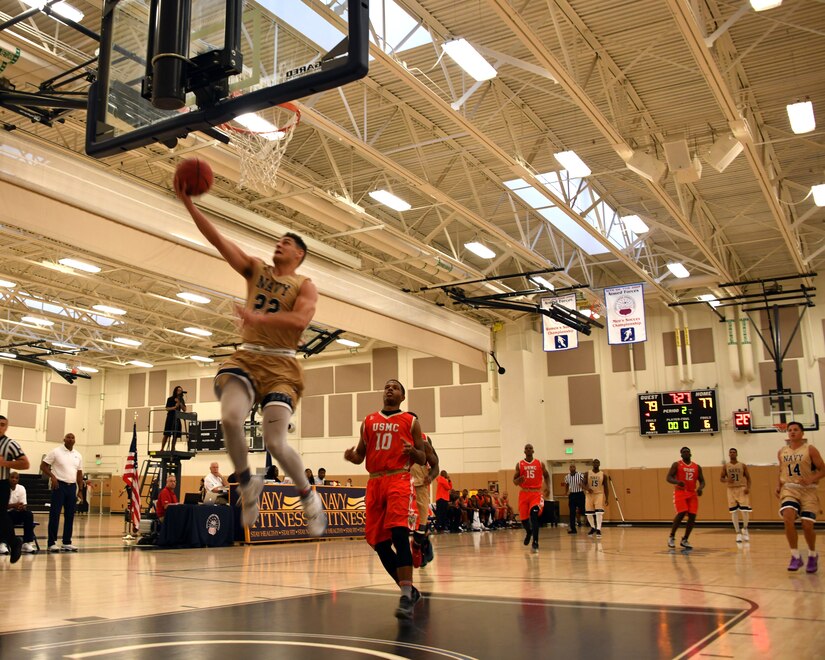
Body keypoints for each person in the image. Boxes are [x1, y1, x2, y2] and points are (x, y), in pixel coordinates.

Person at [176, 178, 326, 535]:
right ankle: (247, 483)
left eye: (287, 243)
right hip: (247, 358)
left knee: (275, 441)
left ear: (299, 255)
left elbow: (301, 320)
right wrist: (189, 204)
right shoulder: (256, 269)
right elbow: (218, 241)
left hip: (282, 366)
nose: (280, 244)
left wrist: (259, 318)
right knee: (229, 418)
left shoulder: (304, 285)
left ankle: (308, 496)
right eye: (278, 240)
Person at [343, 379, 426, 620]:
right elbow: (361, 455)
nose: (389, 389)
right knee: (379, 543)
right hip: (375, 481)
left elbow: (422, 457)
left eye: (395, 387)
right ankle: (409, 591)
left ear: (402, 397)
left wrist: (413, 452)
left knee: (399, 534)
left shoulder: (411, 421)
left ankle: (405, 595)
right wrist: (352, 456)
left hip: (398, 479)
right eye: (387, 386)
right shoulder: (368, 421)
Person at [776, 422, 824, 573]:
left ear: (802, 433)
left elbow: (823, 469)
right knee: (788, 517)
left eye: (796, 430)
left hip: (808, 490)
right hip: (790, 489)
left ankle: (812, 555)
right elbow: (781, 470)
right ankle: (795, 556)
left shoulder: (809, 449)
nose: (792, 432)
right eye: (790, 430)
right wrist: (778, 485)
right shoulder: (782, 451)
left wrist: (811, 479)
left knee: (807, 525)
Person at [40, 432, 83, 552]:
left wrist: (80, 489)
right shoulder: (55, 452)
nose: (70, 439)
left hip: (71, 487)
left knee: (70, 515)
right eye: (68, 437)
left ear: (75, 440)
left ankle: (66, 542)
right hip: (59, 486)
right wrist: (52, 477)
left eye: (72, 437)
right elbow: (43, 466)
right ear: (63, 439)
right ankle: (51, 542)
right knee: (55, 515)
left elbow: (79, 473)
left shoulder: (78, 455)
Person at [0, 417, 31, 563]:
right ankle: (12, 542)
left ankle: (13, 542)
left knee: (1, 515)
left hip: (0, 484)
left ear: (6, 427)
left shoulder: (9, 444)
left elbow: (25, 463)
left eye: (2, 425)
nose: (0, 427)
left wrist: (4, 463)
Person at [666, 446, 705, 550]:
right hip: (680, 492)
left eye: (687, 451)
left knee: (692, 516)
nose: (686, 453)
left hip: (692, 493)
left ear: (691, 454)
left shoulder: (697, 467)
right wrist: (677, 482)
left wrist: (700, 488)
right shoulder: (677, 464)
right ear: (681, 454)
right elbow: (668, 477)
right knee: (682, 512)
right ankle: (671, 536)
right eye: (684, 452)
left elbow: (702, 481)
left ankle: (685, 539)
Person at [513, 443, 550, 552]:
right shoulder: (519, 464)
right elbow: (514, 481)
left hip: (536, 494)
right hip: (524, 494)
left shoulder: (539, 463)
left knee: (534, 515)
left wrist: (548, 487)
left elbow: (547, 476)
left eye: (530, 448)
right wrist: (517, 481)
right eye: (526, 448)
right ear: (524, 451)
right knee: (524, 519)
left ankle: (535, 542)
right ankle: (528, 532)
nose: (528, 450)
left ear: (533, 451)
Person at [410, 431, 439, 568]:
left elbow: (436, 465)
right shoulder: (397, 436)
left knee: (422, 521)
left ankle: (421, 546)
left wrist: (431, 476)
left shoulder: (425, 439)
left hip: (420, 483)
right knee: (404, 523)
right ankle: (412, 551)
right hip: (402, 483)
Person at [721, 448, 752, 543]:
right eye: (731, 452)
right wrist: (727, 480)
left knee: (744, 511)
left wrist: (748, 488)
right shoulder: (726, 466)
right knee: (734, 512)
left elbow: (748, 478)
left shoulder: (742, 465)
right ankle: (738, 533)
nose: (732, 453)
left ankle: (745, 529)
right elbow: (721, 478)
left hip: (742, 488)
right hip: (731, 489)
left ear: (736, 454)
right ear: (729, 454)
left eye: (734, 452)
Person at [582, 459, 609, 538]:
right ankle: (593, 527)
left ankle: (598, 529)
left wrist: (607, 498)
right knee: (589, 513)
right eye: (595, 462)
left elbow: (606, 487)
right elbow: (582, 484)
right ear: (592, 464)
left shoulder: (603, 475)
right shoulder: (587, 473)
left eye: (597, 462)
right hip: (589, 495)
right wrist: (587, 489)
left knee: (599, 512)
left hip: (599, 494)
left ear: (599, 464)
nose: (596, 463)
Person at [161, 385, 186, 452]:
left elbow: (184, 409)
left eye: (181, 390)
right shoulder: (170, 399)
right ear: (175, 391)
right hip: (170, 417)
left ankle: (173, 448)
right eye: (178, 390)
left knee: (175, 434)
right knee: (166, 433)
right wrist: (174, 407)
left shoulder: (181, 400)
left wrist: (180, 403)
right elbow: (167, 408)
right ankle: (162, 448)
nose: (180, 391)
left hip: (177, 418)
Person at [563, 463, 585, 534]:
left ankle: (592, 525)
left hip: (580, 494)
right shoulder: (567, 477)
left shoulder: (580, 475)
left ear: (575, 468)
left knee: (583, 510)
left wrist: (583, 486)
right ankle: (573, 529)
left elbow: (585, 482)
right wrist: (566, 492)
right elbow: (566, 485)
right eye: (571, 467)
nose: (572, 468)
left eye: (573, 467)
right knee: (572, 512)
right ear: (569, 468)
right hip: (572, 495)